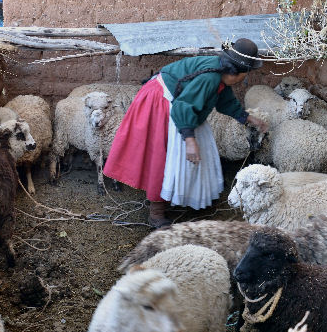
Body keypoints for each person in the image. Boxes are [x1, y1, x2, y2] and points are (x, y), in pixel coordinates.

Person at [103, 38, 269, 227]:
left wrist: (246, 117)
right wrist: (189, 140)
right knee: (165, 156)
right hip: (162, 101)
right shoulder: (209, 78)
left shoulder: (219, 73)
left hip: (179, 104)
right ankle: (156, 212)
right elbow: (183, 107)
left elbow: (223, 97)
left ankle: (183, 196)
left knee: (197, 150)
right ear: (238, 73)